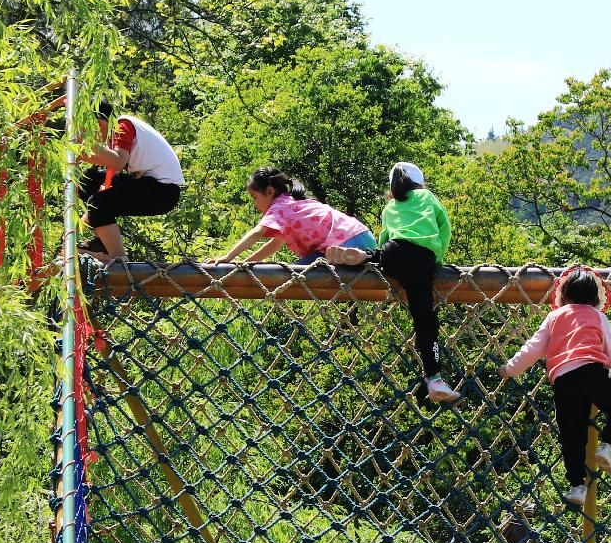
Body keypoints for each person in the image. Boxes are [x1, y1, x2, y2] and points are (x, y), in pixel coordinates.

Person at [326, 161, 460, 405]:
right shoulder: (426, 196)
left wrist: (382, 255)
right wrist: (436, 259)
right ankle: (435, 379)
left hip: (393, 252)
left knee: (382, 253)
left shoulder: (390, 206)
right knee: (425, 320)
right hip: (421, 257)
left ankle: (366, 256)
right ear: (418, 183)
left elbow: (385, 237)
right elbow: (444, 228)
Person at [501, 267, 611, 508]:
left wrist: (510, 369)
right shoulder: (597, 316)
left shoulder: (554, 317)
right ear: (595, 298)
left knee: (571, 434)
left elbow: (533, 348)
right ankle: (608, 446)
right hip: (593, 370)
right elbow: (610, 351)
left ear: (564, 296)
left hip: (563, 378)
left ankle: (577, 487)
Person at [77, 101, 184, 262]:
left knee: (99, 203)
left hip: (162, 190)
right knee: (88, 181)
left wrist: (83, 143)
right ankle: (103, 242)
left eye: (89, 130)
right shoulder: (114, 137)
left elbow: (118, 161)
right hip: (148, 182)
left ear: (99, 123)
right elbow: (109, 176)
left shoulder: (122, 125)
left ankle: (117, 257)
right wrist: (89, 218)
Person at [214, 167, 376, 265]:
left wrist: (228, 258)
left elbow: (257, 233)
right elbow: (275, 244)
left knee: (297, 275)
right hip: (363, 235)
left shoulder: (279, 208)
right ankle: (362, 259)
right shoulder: (294, 203)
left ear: (269, 191)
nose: (255, 204)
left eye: (255, 197)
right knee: (305, 267)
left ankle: (350, 260)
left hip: (344, 243)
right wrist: (245, 263)